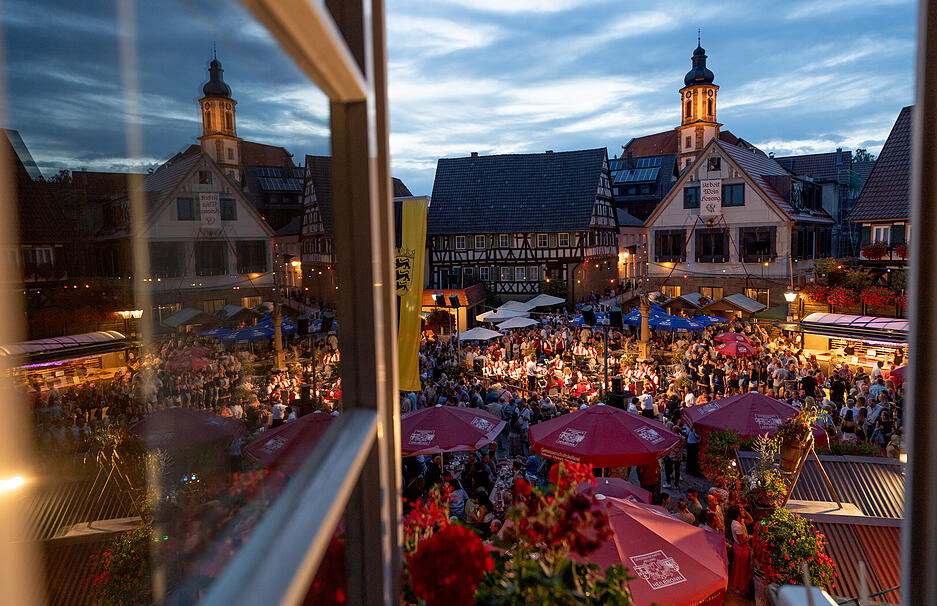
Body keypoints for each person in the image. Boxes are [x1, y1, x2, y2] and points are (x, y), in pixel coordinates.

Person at [729, 505, 752, 594]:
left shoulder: (739, 521)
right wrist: (751, 537)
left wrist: (744, 511)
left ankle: (738, 585)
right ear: (738, 514)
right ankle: (741, 587)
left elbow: (751, 520)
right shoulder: (737, 526)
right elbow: (742, 541)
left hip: (739, 547)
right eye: (741, 510)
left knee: (739, 568)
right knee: (742, 569)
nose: (743, 511)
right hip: (741, 549)